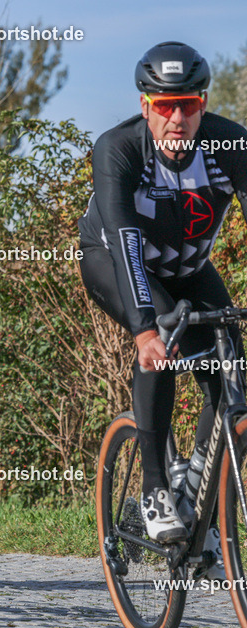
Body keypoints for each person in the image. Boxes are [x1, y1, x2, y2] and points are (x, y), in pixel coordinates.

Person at [79, 42, 247, 568]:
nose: (177, 118)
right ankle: (154, 486)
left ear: (203, 104)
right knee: (166, 333)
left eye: (189, 105)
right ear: (146, 105)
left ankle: (196, 480)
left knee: (234, 370)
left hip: (189, 270)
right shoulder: (119, 148)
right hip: (114, 260)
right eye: (164, 106)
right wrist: (144, 329)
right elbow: (126, 241)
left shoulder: (230, 144)